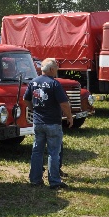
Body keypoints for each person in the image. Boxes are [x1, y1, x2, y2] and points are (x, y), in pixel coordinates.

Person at [24, 58, 73, 190]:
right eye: (56, 67)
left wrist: (34, 109)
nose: (57, 69)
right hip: (52, 123)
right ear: (51, 69)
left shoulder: (33, 82)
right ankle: (55, 181)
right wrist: (69, 117)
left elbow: (26, 99)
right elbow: (64, 103)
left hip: (38, 123)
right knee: (53, 153)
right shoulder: (54, 84)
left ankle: (35, 179)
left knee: (37, 151)